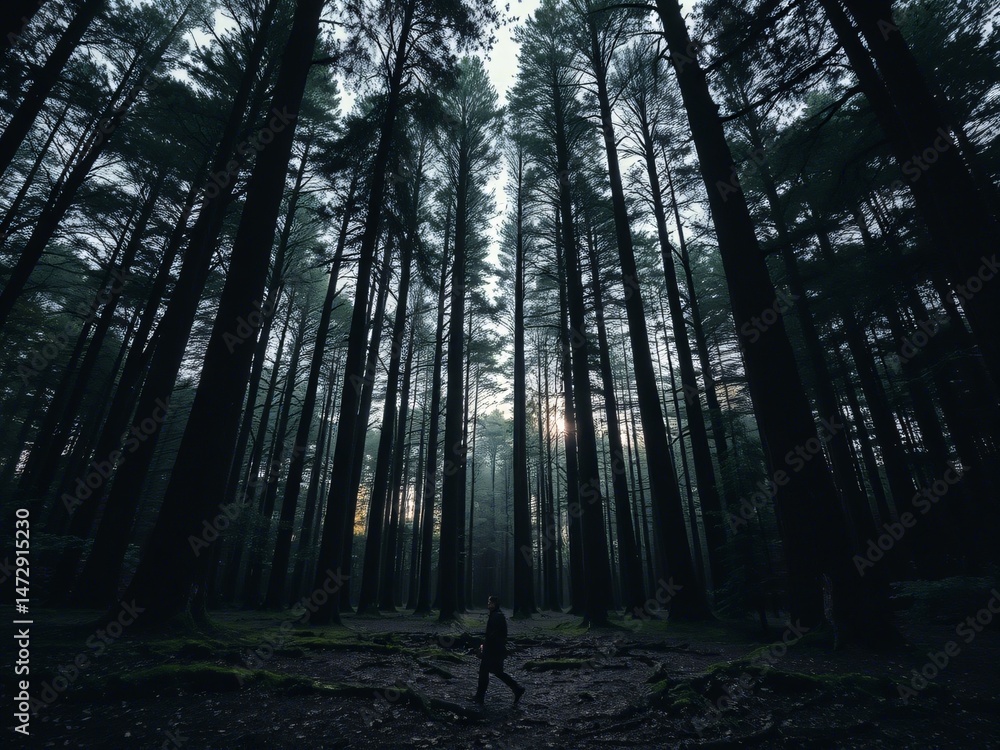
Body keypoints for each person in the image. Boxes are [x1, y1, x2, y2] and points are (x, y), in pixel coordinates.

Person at [472, 595, 525, 706]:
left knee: (485, 672)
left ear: (496, 604)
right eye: (488, 602)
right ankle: (517, 688)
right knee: (496, 672)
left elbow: (495, 635)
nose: (489, 605)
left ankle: (479, 697)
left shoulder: (497, 616)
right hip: (495, 649)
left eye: (491, 603)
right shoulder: (495, 615)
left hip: (493, 650)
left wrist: (485, 647)